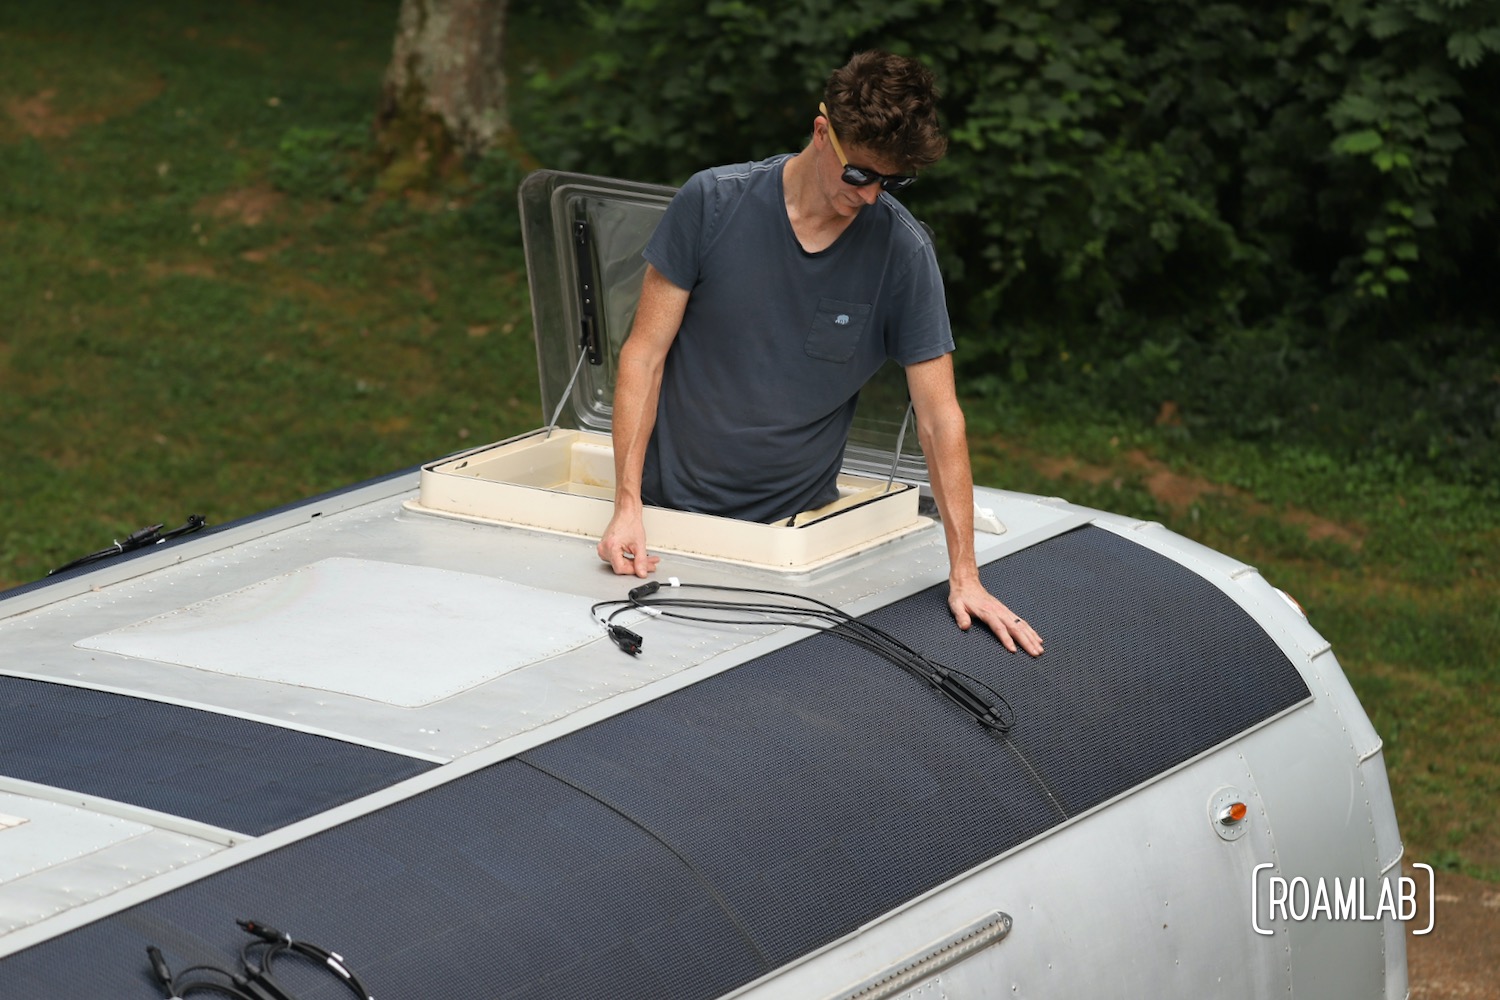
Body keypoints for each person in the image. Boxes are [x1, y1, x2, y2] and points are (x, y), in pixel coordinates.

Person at [597, 50, 1044, 657]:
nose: (870, 197)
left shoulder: (902, 253)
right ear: (820, 132)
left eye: (892, 181)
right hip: (662, 520)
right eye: (860, 174)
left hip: (799, 538)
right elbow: (642, 358)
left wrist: (965, 573)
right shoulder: (712, 202)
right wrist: (626, 507)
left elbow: (940, 419)